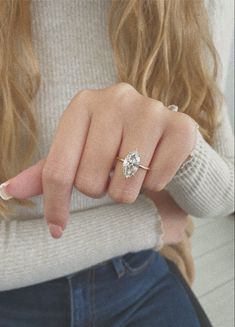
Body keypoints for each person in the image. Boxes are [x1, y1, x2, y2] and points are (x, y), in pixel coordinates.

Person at [0, 0, 234, 326]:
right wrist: (149, 223)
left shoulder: (199, 7)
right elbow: (172, 222)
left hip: (138, 272)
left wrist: (183, 147)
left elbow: (225, 194)